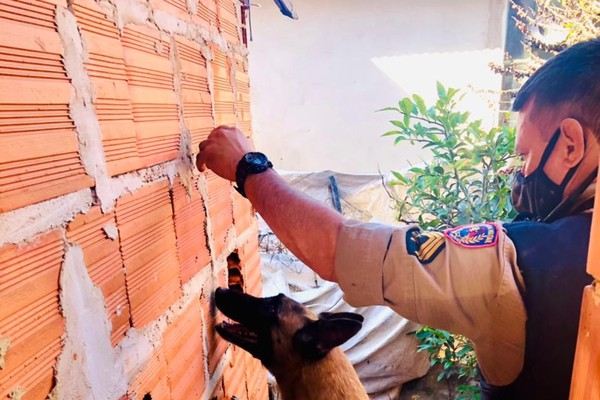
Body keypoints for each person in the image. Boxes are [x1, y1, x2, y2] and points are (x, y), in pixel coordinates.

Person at [196, 38, 600, 399]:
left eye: (525, 155)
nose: (520, 173)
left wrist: (249, 168)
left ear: (570, 146)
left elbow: (338, 247)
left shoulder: (521, 261)